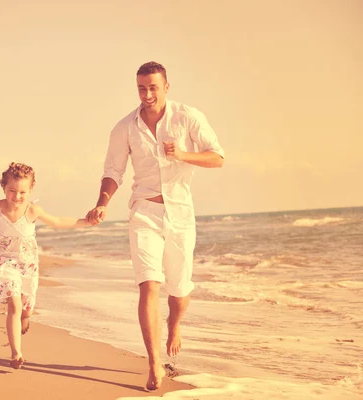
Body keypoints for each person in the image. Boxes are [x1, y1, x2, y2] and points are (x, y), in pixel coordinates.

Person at [85, 61, 225, 390]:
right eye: (141, 88)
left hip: (180, 212)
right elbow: (113, 171)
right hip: (144, 211)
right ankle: (154, 363)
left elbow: (218, 156)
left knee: (179, 289)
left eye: (153, 88)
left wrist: (183, 155)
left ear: (166, 87)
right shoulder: (124, 128)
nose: (147, 94)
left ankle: (174, 325)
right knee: (149, 284)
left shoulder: (188, 117)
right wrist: (102, 202)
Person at [0, 162, 90, 369]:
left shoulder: (33, 210)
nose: (16, 196)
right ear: (3, 188)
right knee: (13, 304)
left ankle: (25, 318)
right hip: (2, 262)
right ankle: (16, 353)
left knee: (26, 308)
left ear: (31, 190)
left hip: (27, 264)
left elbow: (58, 221)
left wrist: (86, 222)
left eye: (22, 191)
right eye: (12, 190)